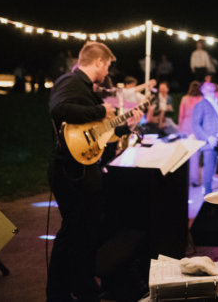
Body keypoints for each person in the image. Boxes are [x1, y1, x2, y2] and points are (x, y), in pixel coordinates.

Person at [47, 42, 142, 302]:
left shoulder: (87, 89)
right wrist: (101, 110)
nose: (107, 71)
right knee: (73, 232)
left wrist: (126, 127)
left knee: (84, 232)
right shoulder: (70, 81)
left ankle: (81, 285)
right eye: (107, 65)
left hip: (84, 167)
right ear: (98, 62)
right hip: (69, 169)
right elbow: (59, 108)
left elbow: (98, 133)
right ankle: (58, 292)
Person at [191, 82, 218, 195]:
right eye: (207, 86)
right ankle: (207, 195)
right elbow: (195, 124)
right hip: (210, 141)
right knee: (209, 168)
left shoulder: (216, 103)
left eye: (212, 86)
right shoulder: (201, 104)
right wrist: (208, 138)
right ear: (203, 90)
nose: (211, 87)